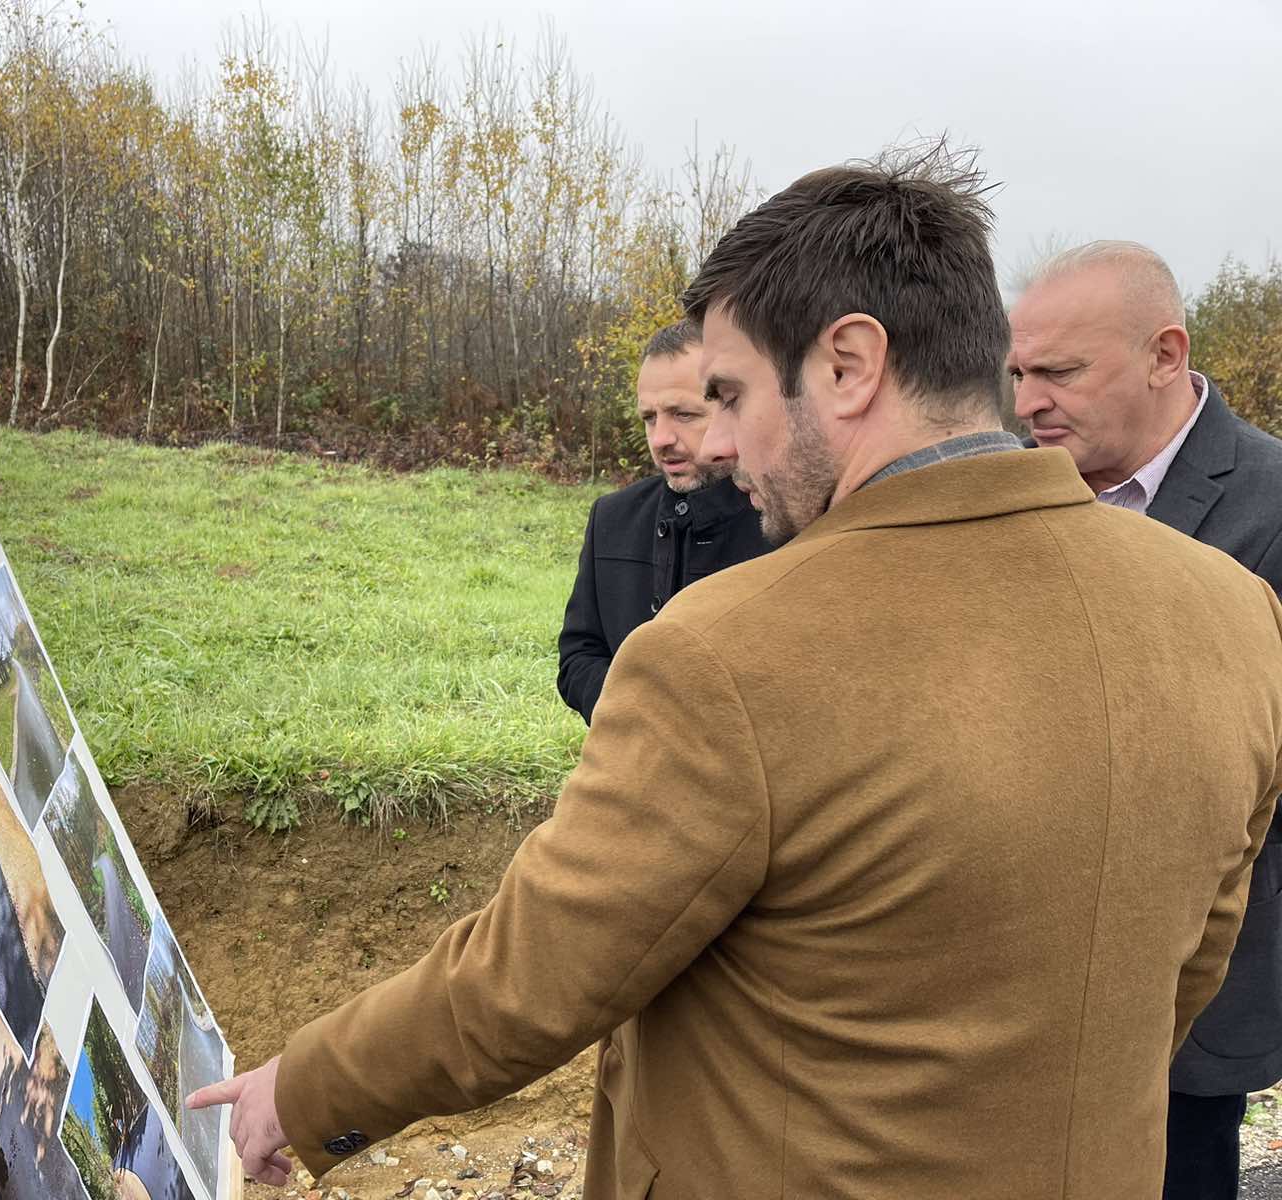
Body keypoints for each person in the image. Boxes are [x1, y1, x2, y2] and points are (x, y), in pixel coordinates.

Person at [187, 150, 1282, 1199]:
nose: (714, 446)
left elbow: (531, 979)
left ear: (848, 365)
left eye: (731, 394)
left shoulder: (726, 653)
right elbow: (1186, 972)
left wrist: (301, 1091)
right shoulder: (1232, 611)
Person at [1008, 240, 1282, 1200]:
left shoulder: (1273, 503)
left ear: (1166, 354)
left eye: (1059, 372)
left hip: (1189, 989)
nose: (1027, 402)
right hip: (1014, 974)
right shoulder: (1011, 491)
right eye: (1017, 374)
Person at [556, 319, 771, 723]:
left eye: (683, 414)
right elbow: (578, 656)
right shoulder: (612, 518)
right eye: (650, 417)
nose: (660, 438)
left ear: (732, 406)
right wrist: (638, 715)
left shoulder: (784, 523)